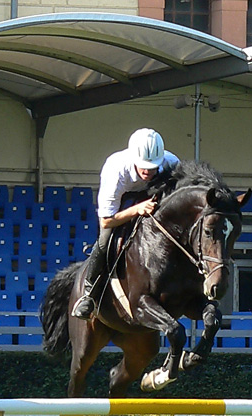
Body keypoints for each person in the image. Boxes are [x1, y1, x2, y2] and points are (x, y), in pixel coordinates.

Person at [71, 128, 180, 319]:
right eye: (143, 166)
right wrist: (137, 209)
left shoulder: (172, 163)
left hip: (153, 196)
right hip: (121, 204)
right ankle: (89, 295)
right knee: (105, 242)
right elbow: (106, 221)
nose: (147, 171)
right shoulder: (116, 170)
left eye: (153, 167)